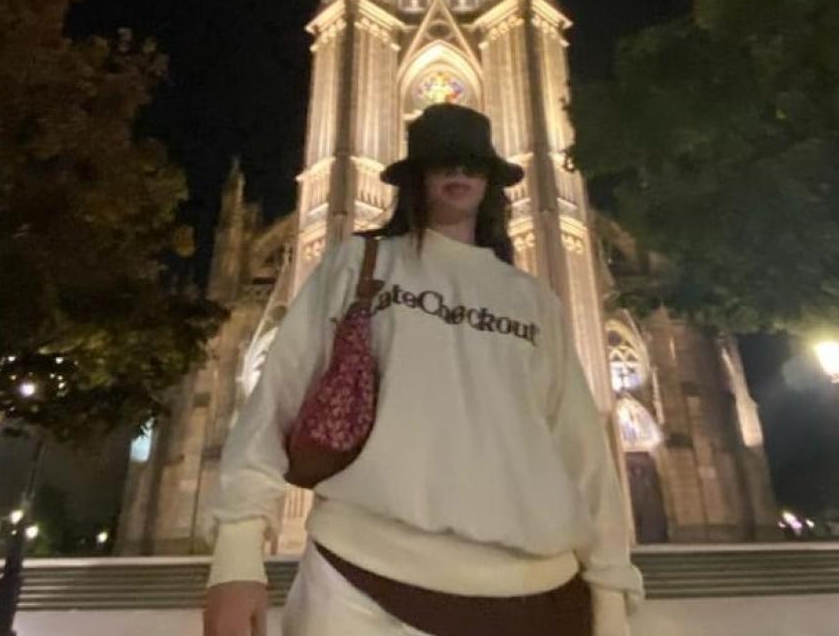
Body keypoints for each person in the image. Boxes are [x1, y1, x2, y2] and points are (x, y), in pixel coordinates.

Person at [204, 103, 643, 636]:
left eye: (473, 165)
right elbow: (275, 401)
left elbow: (583, 454)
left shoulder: (534, 300)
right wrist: (236, 555)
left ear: (491, 183)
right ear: (415, 179)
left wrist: (612, 590)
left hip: (532, 591)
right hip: (359, 583)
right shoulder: (360, 263)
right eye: (441, 163)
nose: (458, 174)